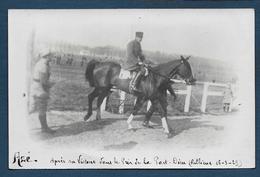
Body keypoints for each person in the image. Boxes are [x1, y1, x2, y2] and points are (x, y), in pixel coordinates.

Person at [29, 48, 55, 133]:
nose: (52, 56)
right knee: (42, 109)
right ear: (47, 56)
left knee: (31, 108)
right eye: (51, 55)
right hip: (40, 88)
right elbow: (43, 81)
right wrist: (51, 84)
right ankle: (44, 128)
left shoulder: (40, 62)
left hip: (35, 86)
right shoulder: (43, 65)